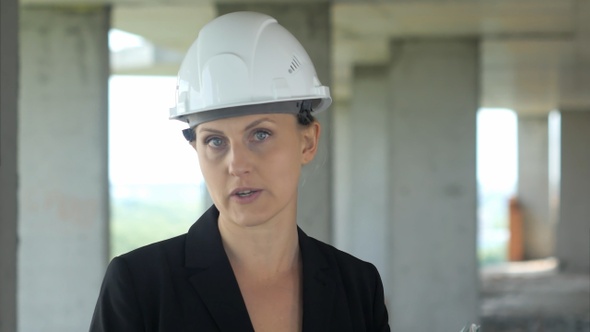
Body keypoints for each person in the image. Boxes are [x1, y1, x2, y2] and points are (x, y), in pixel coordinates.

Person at [90, 11, 390, 332]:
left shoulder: (357, 286)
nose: (237, 165)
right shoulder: (140, 286)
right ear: (196, 151)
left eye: (260, 134)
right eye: (216, 141)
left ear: (308, 141)